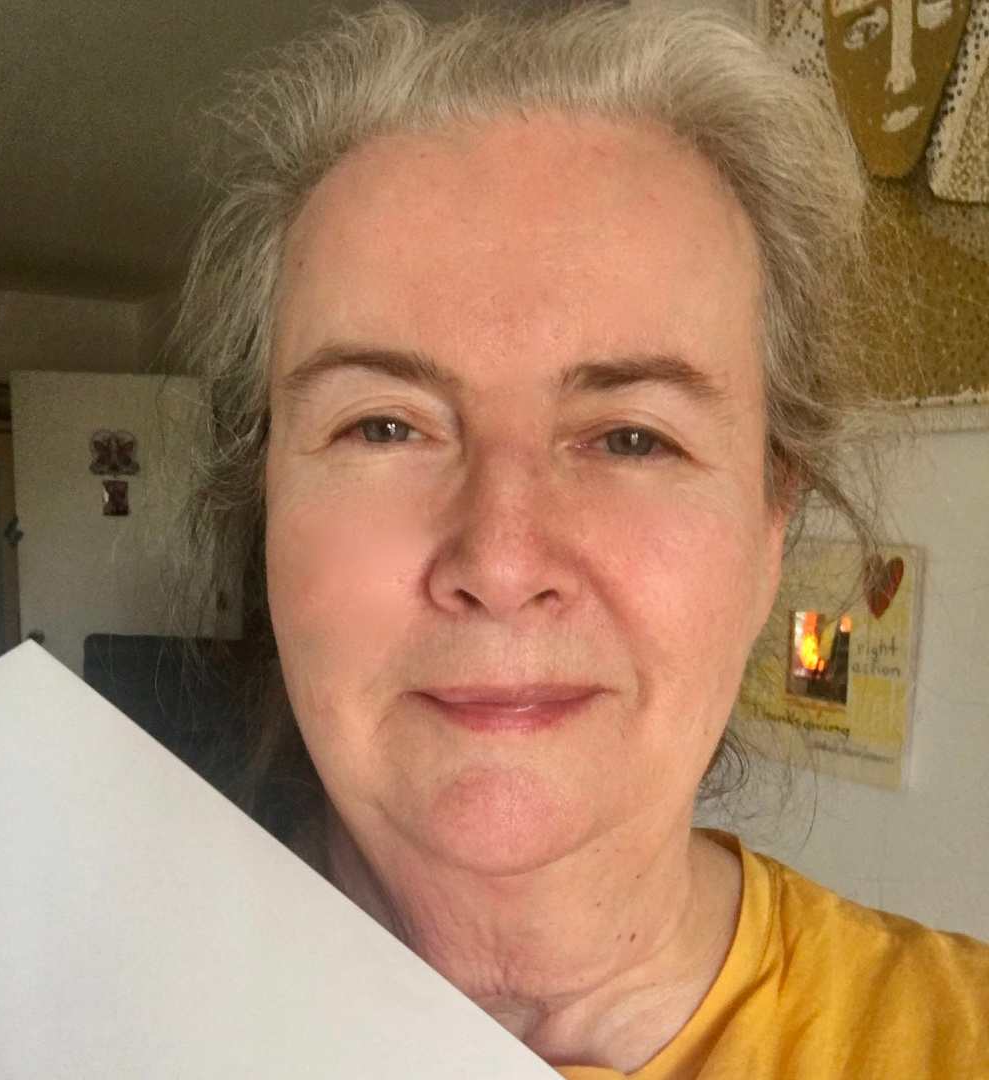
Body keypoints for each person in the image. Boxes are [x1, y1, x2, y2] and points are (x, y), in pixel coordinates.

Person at [178, 4, 989, 1077]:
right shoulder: (30, 1022)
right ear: (265, 505)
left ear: (768, 527)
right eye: (383, 425)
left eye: (630, 437)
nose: (502, 562)